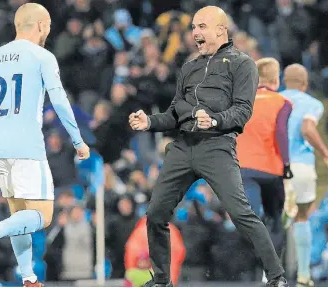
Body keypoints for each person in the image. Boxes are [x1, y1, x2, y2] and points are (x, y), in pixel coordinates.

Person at [129, 6, 287, 287]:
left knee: (242, 214)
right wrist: (149, 122)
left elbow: (242, 111)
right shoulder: (189, 67)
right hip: (182, 147)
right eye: (193, 27)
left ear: (221, 30)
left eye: (201, 26)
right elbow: (174, 114)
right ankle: (162, 280)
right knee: (155, 213)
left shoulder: (242, 64)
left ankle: (276, 277)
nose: (195, 33)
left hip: (217, 146)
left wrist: (214, 121)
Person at [0, 3, 90, 287]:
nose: (48, 31)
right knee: (42, 216)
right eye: (48, 26)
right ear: (40, 25)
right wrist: (78, 139)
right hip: (26, 144)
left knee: (21, 214)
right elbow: (60, 100)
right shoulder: (42, 56)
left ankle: (28, 278)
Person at [236, 57, 293, 283]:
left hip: (243, 168)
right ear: (275, 79)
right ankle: (272, 273)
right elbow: (280, 131)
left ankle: (257, 259)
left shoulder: (241, 101)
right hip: (271, 170)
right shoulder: (283, 102)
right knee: (275, 220)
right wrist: (287, 163)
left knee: (252, 217)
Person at [280, 63, 328, 287]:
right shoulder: (313, 104)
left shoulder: (274, 100)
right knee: (302, 218)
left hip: (275, 167)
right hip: (301, 167)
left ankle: (270, 275)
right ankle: (303, 275)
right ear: (305, 83)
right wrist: (325, 152)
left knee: (273, 220)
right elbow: (307, 129)